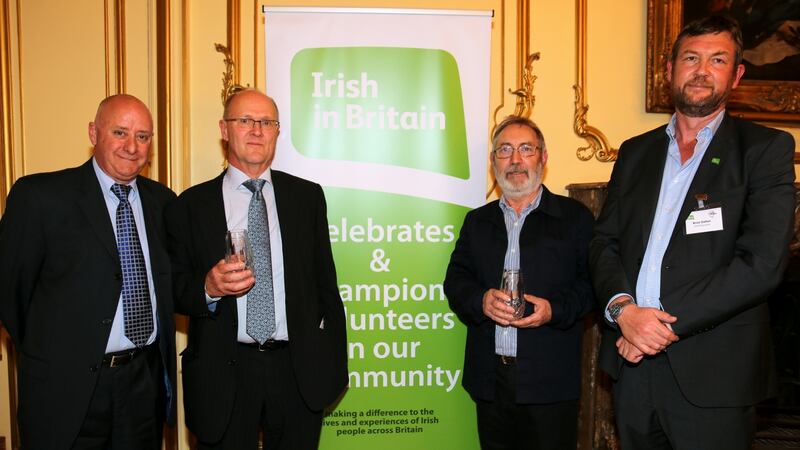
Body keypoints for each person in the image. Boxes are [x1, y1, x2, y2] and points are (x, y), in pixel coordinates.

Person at [589, 15, 796, 450]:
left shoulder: (765, 150)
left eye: (717, 60)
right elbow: (602, 242)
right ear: (669, 69)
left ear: (736, 75)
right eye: (691, 58)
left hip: (713, 375)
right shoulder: (634, 152)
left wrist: (654, 321)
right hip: (632, 369)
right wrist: (624, 311)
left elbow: (761, 265)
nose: (702, 70)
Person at [165, 88, 347, 450]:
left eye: (266, 122)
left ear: (277, 132)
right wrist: (208, 288)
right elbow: (172, 288)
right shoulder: (190, 205)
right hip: (225, 372)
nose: (256, 131)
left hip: (297, 371)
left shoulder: (307, 197)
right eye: (244, 120)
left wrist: (330, 358)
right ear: (224, 129)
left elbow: (326, 285)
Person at [0, 94, 177, 449]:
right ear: (93, 133)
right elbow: (10, 293)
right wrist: (57, 351)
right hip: (65, 390)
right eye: (120, 132)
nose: (132, 146)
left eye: (143, 136)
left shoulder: (164, 202)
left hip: (143, 387)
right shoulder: (40, 197)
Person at [444, 116, 594, 450]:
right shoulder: (476, 221)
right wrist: (480, 300)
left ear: (543, 158)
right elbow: (455, 280)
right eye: (505, 150)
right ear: (493, 161)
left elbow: (593, 288)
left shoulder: (575, 219)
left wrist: (553, 311)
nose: (515, 160)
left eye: (526, 149)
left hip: (550, 383)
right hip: (490, 380)